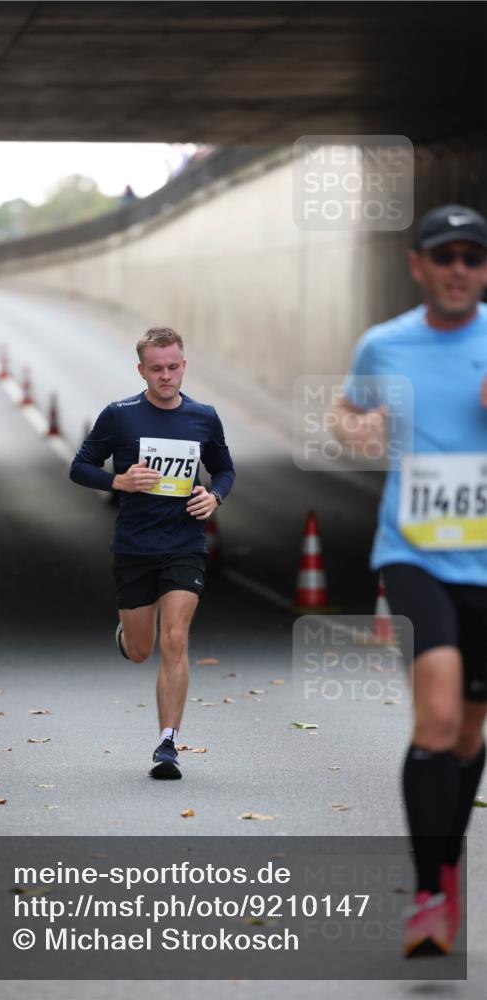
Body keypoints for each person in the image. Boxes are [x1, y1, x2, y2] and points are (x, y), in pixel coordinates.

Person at [331, 205, 487, 958]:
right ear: (417, 265)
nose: (458, 267)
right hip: (413, 551)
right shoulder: (383, 344)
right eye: (443, 255)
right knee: (434, 711)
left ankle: (446, 861)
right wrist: (353, 428)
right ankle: (428, 895)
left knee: (466, 733)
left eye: (471, 255)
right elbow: (345, 407)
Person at [70, 326, 235, 779]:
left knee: (176, 639)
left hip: (184, 545)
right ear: (142, 369)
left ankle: (168, 743)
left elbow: (223, 469)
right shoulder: (119, 416)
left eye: (173, 367)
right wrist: (117, 481)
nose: (166, 376)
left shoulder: (204, 417)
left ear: (184, 365)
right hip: (135, 547)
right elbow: (79, 466)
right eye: (156, 368)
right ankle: (125, 636)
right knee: (142, 649)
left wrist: (214, 497)